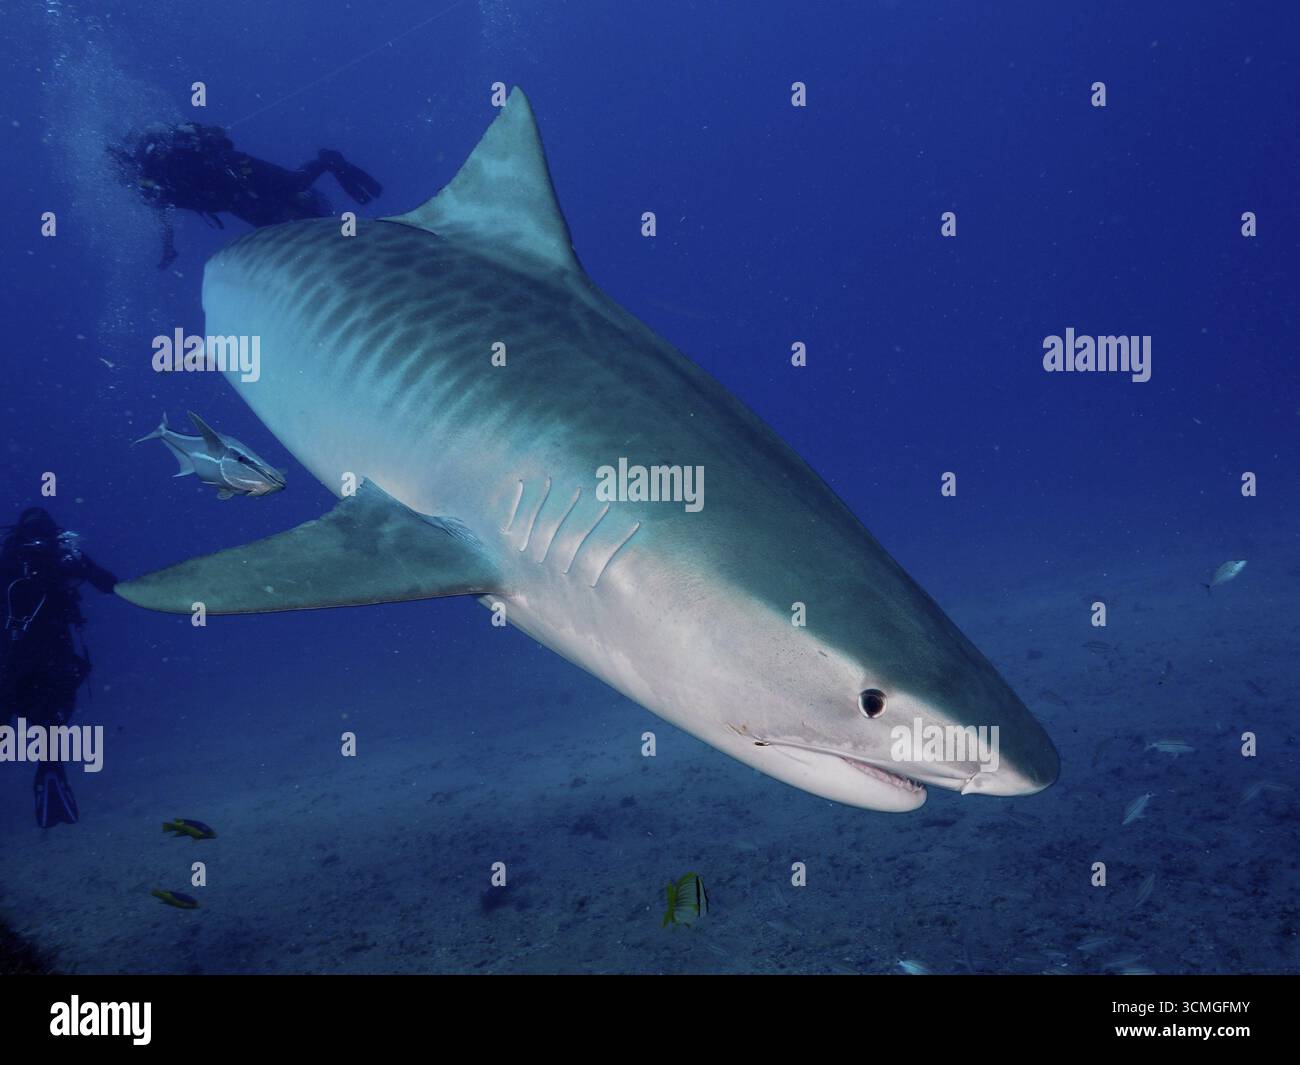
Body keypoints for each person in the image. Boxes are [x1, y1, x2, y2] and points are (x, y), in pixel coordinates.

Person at [107, 121, 383, 268]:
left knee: (294, 183)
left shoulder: (160, 168)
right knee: (279, 229)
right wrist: (168, 247)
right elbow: (163, 214)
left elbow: (170, 201)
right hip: (230, 200)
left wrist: (168, 246)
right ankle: (337, 250)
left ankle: (328, 161)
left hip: (236, 173)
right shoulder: (153, 189)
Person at [0, 508, 117, 827]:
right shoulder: (62, 553)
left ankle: (46, 767)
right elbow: (108, 584)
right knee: (51, 719)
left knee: (6, 707)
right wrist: (76, 563)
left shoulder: (11, 557)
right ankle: (51, 769)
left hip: (12, 652)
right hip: (54, 652)